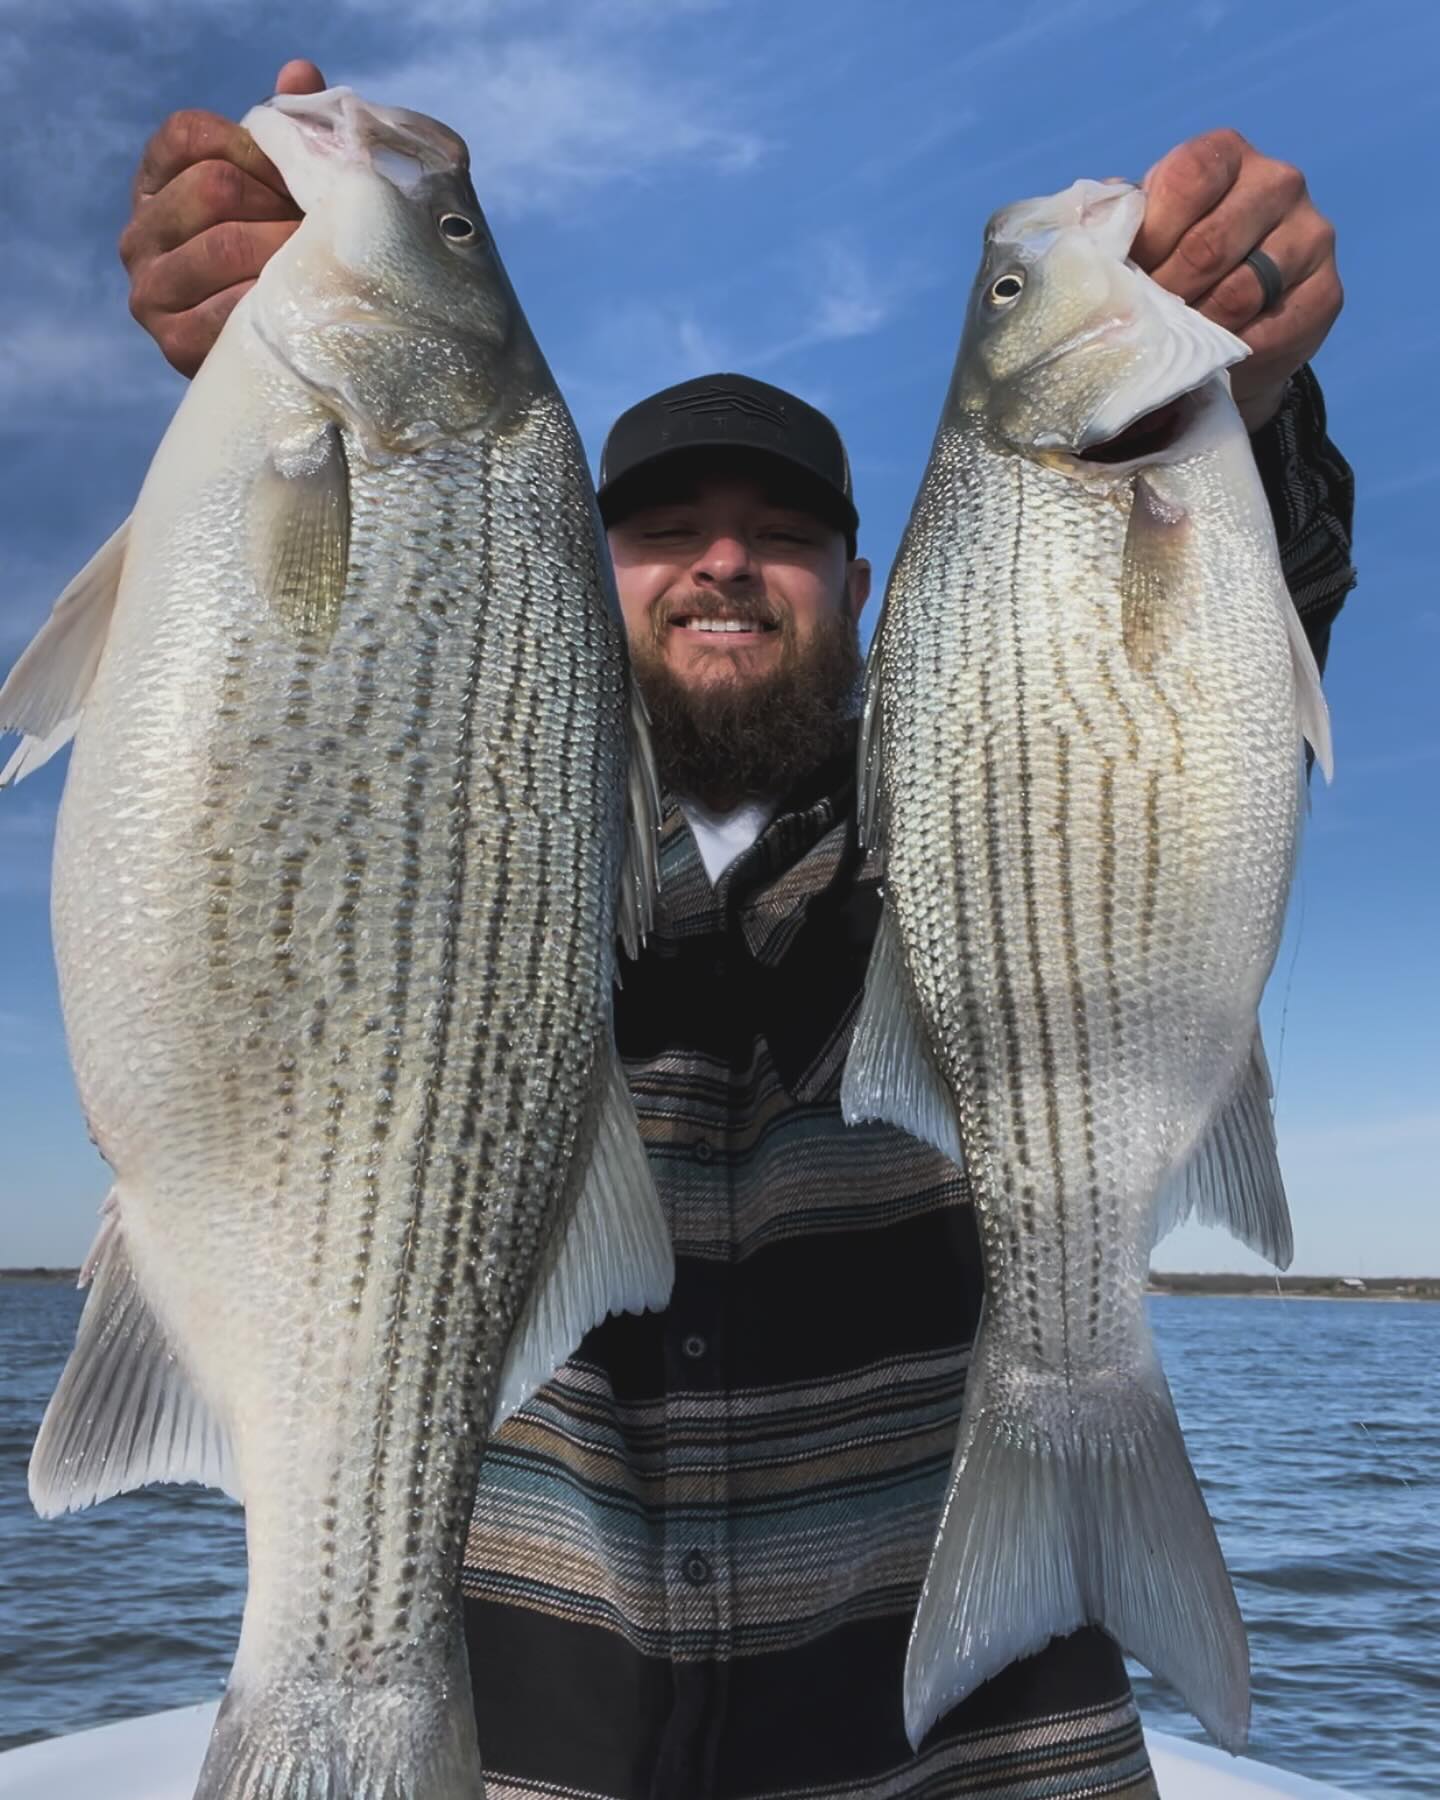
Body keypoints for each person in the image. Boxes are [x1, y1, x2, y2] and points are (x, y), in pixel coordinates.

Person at [121, 59, 1355, 1800]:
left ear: (870, 593)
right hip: (518, 1746)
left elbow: (1185, 688)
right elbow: (288, 756)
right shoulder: (479, 819)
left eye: (783, 536)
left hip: (974, 1758)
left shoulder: (968, 807)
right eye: (662, 532)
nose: (722, 564)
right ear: (566, 559)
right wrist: (255, 406)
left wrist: (1257, 417)